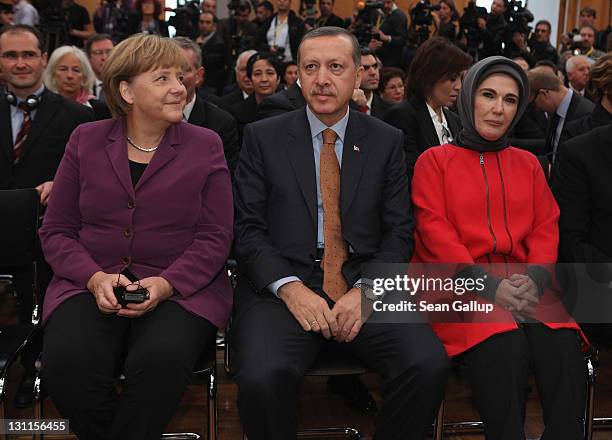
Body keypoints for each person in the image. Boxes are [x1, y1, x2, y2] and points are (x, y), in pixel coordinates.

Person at [232, 26, 449, 440]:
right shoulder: (264, 137)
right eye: (310, 67)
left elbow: (400, 230)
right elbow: (248, 229)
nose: (322, 79)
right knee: (262, 377)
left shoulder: (386, 140)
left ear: (358, 75)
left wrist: (367, 290)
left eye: (335, 67)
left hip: (364, 281)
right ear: (297, 75)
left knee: (427, 364)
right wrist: (290, 287)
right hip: (284, 286)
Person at [39, 34, 233, 440]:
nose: (179, 87)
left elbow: (216, 237)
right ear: (126, 90)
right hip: (88, 282)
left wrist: (165, 284)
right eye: (162, 78)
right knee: (67, 365)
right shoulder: (85, 140)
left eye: (179, 77)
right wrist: (95, 278)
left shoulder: (205, 145)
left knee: (160, 361)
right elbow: (57, 231)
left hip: (181, 288)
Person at [412, 56, 587, 440]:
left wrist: (537, 279)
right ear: (468, 97)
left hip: (525, 281)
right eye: (488, 95)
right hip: (455, 283)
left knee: (562, 345)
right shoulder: (434, 162)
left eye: (510, 100)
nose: (498, 108)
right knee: (503, 345)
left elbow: (546, 226)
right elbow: (434, 232)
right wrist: (488, 287)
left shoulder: (528, 164)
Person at [0, 24, 93, 408]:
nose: (20, 63)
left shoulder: (76, 116)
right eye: (10, 55)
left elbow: (97, 176)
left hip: (49, 239)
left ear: (42, 58)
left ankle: (40, 367)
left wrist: (62, 182)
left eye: (27, 55)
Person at [385, 36, 471, 181]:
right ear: (430, 76)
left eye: (460, 79)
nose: (459, 87)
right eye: (452, 79)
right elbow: (410, 174)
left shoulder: (455, 120)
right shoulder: (402, 116)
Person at [173, 37, 240, 176]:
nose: (175, 78)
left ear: (199, 75)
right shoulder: (146, 117)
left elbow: (226, 180)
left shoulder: (221, 123)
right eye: (166, 71)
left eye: (183, 70)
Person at [527, 67, 594, 165]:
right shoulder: (555, 111)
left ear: (544, 94)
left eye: (533, 103)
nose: (536, 109)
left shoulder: (586, 114)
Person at [43, 45, 111, 120]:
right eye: (63, 69)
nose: (70, 75)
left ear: (84, 76)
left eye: (76, 70)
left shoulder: (101, 110)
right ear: (52, 74)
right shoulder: (42, 107)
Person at [228, 51, 281, 141]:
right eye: (257, 74)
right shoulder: (237, 113)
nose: (264, 79)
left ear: (278, 79)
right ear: (250, 80)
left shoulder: (291, 109)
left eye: (270, 73)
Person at [564, 53, 612, 138]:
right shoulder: (575, 132)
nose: (586, 73)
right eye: (581, 69)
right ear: (606, 88)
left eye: (588, 69)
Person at [367, 0, 407, 69]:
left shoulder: (399, 16)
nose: (385, 6)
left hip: (392, 62)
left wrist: (386, 38)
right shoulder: (378, 13)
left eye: (388, 2)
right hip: (378, 58)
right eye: (383, 2)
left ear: (393, 1)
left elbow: (402, 40)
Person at [353, 48, 392, 119]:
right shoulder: (339, 108)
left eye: (375, 66)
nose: (373, 73)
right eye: (365, 68)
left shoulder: (390, 110)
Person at [196, 12, 228, 96]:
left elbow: (210, 63)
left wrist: (200, 47)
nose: (204, 25)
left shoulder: (219, 43)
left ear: (214, 25)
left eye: (208, 22)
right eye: (201, 22)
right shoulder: (196, 38)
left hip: (211, 86)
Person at [86, 34, 114, 102]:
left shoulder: (123, 83)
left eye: (109, 52)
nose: (104, 57)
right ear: (88, 57)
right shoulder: (83, 85)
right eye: (98, 53)